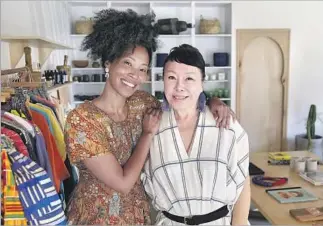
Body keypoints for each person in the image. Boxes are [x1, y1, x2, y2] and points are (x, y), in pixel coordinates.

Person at [64, 9, 235, 225]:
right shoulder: (82, 120)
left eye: (142, 69)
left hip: (139, 216)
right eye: (127, 63)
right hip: (97, 217)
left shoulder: (142, 103)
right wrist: (147, 134)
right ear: (108, 63)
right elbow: (123, 182)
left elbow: (181, 101)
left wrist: (211, 101)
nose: (135, 76)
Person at [141, 44, 251, 225]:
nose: (179, 87)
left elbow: (243, 180)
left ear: (202, 82)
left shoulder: (224, 124)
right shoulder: (152, 127)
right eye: (171, 77)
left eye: (189, 79)